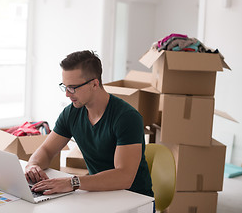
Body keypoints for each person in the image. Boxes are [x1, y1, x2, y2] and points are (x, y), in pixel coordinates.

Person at [25, 50, 153, 197]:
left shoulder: (127, 118)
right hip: (99, 195)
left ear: (94, 84)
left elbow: (124, 177)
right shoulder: (71, 113)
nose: (67, 94)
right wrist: (33, 165)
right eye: (65, 86)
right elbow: (47, 150)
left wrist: (72, 182)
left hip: (135, 200)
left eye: (72, 87)